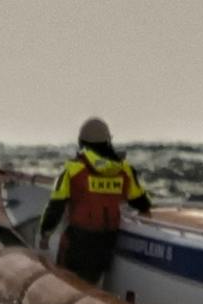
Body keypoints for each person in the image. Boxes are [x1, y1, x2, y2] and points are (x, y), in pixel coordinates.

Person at [42, 118, 150, 284]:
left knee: (66, 283)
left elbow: (56, 205)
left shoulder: (73, 169)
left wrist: (45, 234)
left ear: (81, 142)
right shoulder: (125, 169)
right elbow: (140, 201)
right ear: (108, 141)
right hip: (107, 240)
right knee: (92, 282)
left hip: (78, 239)